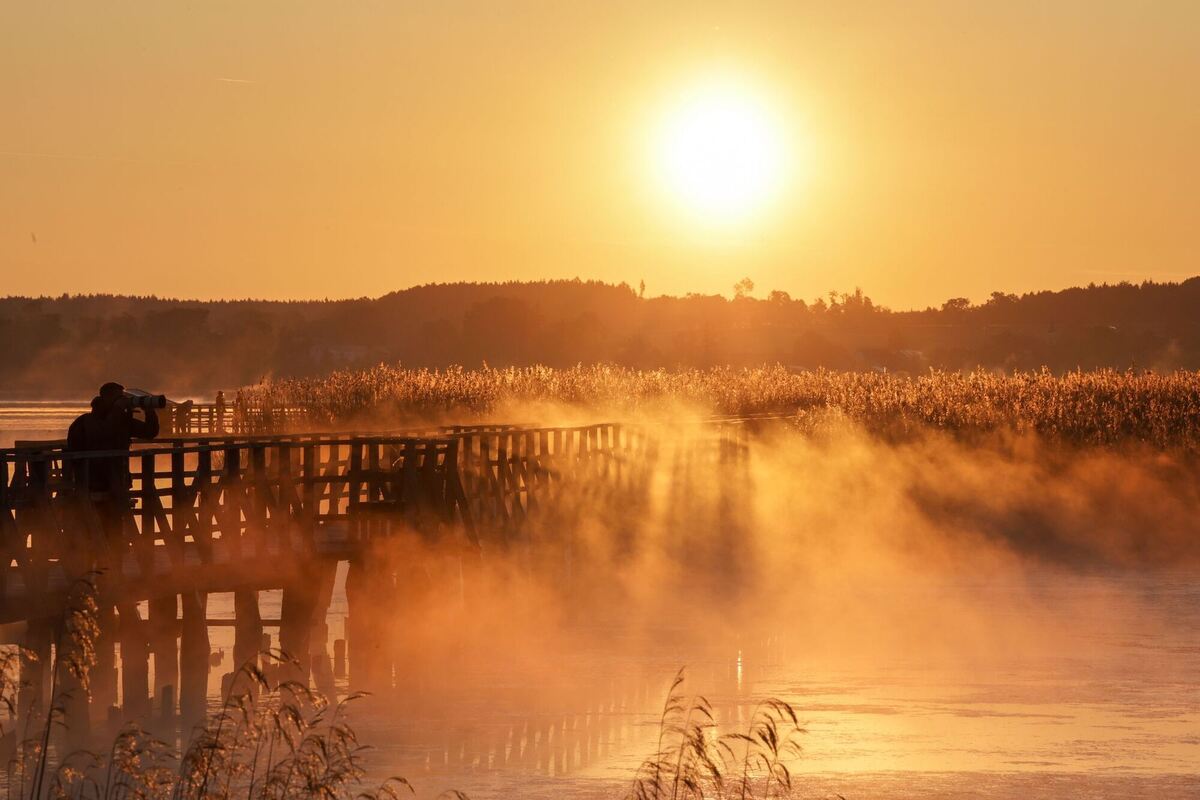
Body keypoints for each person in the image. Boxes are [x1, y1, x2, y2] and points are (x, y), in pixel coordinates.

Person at [66, 381, 160, 492]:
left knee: (119, 507)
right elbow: (105, 432)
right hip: (93, 479)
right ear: (106, 398)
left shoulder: (122, 420)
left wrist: (149, 412)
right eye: (118, 398)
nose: (121, 401)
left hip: (119, 479)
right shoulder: (86, 421)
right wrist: (118, 410)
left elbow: (150, 432)